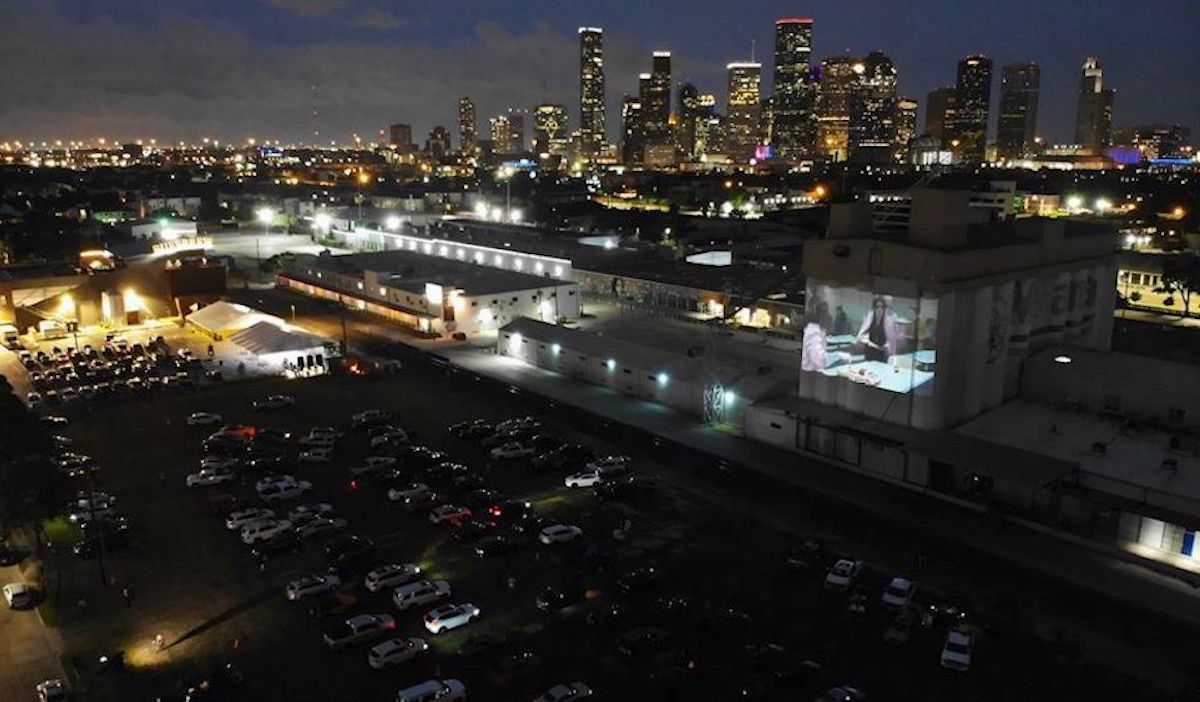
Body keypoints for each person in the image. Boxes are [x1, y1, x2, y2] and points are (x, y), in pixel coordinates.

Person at [856, 295, 901, 363]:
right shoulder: (870, 317)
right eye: (877, 306)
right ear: (874, 308)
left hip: (882, 353)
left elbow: (892, 339)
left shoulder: (889, 321)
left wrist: (888, 346)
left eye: (882, 307)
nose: (879, 309)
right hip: (869, 351)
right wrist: (864, 339)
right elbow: (862, 333)